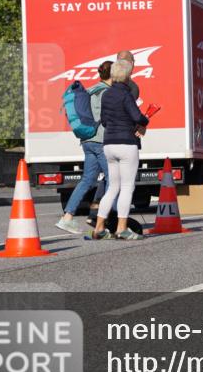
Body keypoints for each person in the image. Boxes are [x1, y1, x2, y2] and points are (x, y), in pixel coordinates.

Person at [89, 60, 150, 240]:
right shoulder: (126, 94)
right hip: (126, 144)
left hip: (108, 144)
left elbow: (105, 121)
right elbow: (136, 116)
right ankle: (121, 228)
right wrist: (144, 121)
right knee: (126, 187)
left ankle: (99, 227)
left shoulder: (106, 94)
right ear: (128, 76)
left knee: (112, 187)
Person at [56, 61, 113, 234]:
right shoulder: (108, 93)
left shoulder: (90, 90)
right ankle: (101, 221)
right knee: (113, 180)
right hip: (101, 141)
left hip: (87, 140)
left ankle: (67, 218)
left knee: (87, 180)